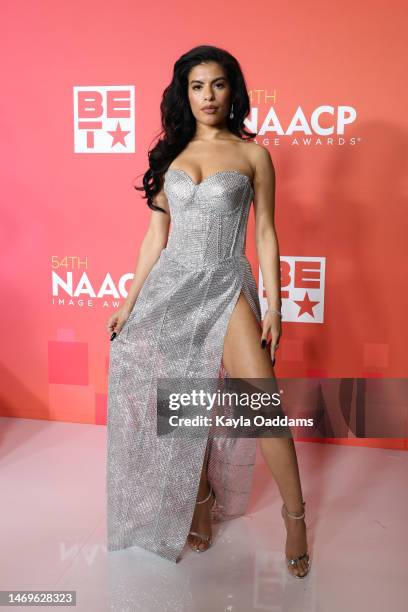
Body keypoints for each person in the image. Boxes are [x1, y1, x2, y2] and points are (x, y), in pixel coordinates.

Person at [105, 44, 310, 578]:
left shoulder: (252, 155)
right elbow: (156, 237)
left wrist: (274, 304)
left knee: (263, 409)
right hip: (170, 289)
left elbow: (265, 232)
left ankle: (296, 517)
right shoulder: (170, 153)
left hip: (224, 283)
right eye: (197, 86)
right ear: (184, 94)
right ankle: (198, 507)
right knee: (182, 410)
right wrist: (129, 302)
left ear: (232, 90)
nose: (208, 96)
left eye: (217, 84)